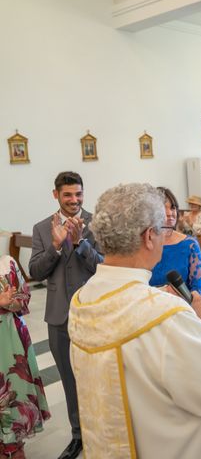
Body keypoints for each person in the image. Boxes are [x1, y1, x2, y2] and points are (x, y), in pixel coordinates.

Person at [67, 183, 201, 458]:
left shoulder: (83, 300)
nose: (167, 237)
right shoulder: (165, 316)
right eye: (163, 230)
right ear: (149, 237)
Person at [29, 171, 103, 459]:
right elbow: (35, 271)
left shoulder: (97, 223)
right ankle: (78, 436)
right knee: (69, 381)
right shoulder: (41, 229)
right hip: (59, 316)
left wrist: (81, 243)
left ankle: (102, 432)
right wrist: (56, 245)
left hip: (94, 314)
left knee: (98, 378)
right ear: (56, 195)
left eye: (78, 194)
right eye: (68, 195)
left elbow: (106, 266)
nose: (74, 200)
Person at [0, 256, 50, 459]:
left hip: (12, 339)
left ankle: (13, 443)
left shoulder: (7, 262)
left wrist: (11, 304)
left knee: (15, 391)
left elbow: (24, 297)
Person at [149, 187, 201, 293]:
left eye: (173, 208)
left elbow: (196, 289)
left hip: (182, 306)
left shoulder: (190, 244)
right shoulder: (143, 244)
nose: (170, 213)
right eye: (164, 208)